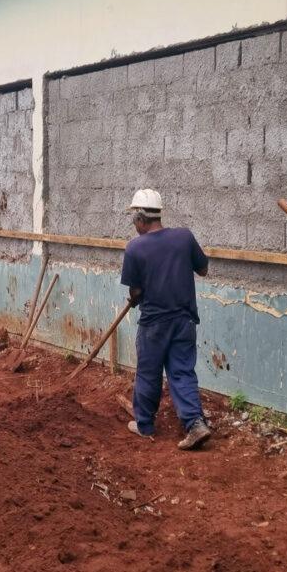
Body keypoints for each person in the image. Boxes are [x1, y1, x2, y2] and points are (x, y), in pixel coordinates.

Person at [120, 188, 212, 450]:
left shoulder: (135, 248)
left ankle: (145, 425)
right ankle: (195, 423)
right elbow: (203, 269)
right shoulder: (184, 237)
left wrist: (136, 297)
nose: (134, 225)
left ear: (140, 218)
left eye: (134, 220)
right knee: (182, 372)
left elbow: (136, 291)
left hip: (154, 324)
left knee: (149, 373)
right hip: (184, 320)